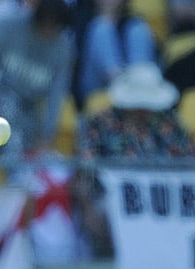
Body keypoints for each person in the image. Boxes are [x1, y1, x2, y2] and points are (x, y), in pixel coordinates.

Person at [75, 62, 195, 258]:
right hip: (112, 200)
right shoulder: (98, 124)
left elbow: (188, 163)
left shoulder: (170, 123)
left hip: (165, 201)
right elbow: (85, 172)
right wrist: (87, 208)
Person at [0, 0, 76, 156]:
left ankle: (4, 162)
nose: (47, 31)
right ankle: (13, 170)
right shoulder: (12, 26)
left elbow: (55, 96)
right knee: (10, 114)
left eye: (53, 27)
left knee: (29, 132)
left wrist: (46, 136)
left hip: (26, 106)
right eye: (44, 25)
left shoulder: (63, 49)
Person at [75, 0, 158, 105]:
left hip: (137, 87)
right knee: (101, 28)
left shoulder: (135, 26)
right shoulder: (85, 21)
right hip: (97, 90)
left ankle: (137, 92)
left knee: (137, 29)